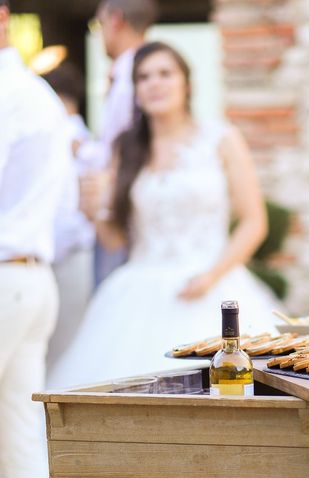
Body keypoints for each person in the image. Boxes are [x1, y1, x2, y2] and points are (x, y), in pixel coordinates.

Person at [48, 42, 282, 388]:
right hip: (138, 289)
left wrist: (212, 275)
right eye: (143, 77)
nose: (154, 83)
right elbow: (116, 240)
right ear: (135, 91)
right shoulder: (125, 148)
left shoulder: (221, 139)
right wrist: (93, 210)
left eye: (164, 74)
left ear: (186, 83)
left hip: (213, 284)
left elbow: (254, 221)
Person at [0, 1, 72, 478]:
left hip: (7, 278)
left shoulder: (8, 92)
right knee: (21, 444)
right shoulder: (36, 92)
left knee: (21, 439)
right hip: (33, 278)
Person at [79, 0, 157, 287]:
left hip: (120, 205)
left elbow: (120, 145)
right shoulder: (130, 71)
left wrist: (79, 149)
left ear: (116, 20)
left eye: (97, 25)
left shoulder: (132, 74)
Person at [43, 64, 95, 368]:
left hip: (66, 253)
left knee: (61, 347)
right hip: (75, 254)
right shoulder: (84, 138)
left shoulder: (71, 140)